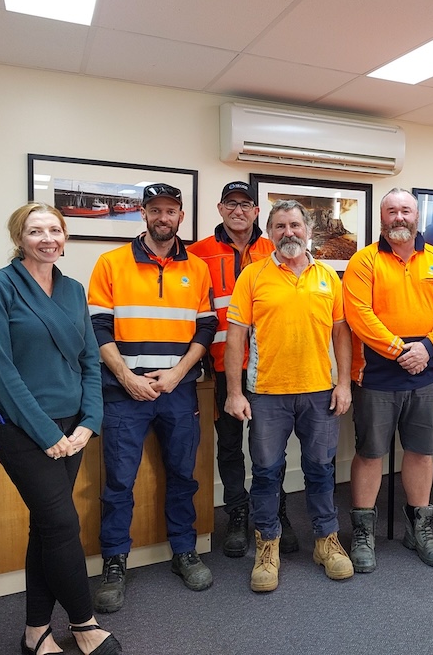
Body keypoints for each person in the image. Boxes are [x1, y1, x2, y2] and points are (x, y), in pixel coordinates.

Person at [0, 203, 120, 655]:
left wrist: (90, 422)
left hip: (73, 429)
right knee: (61, 524)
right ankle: (83, 623)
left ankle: (35, 631)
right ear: (20, 237)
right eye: (36, 231)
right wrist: (46, 433)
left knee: (46, 528)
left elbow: (89, 361)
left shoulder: (73, 290)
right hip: (21, 429)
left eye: (55, 230)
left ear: (65, 236)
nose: (48, 238)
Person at [89, 184, 217, 613]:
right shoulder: (111, 264)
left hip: (177, 393)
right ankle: (115, 562)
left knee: (183, 475)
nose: (164, 218)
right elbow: (98, 329)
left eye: (172, 211)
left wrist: (178, 374)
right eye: (156, 210)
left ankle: (184, 550)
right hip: (124, 393)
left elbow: (205, 330)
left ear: (181, 216)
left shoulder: (197, 268)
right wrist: (127, 377)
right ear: (143, 214)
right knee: (119, 482)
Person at [223, 200, 353, 592]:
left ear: (309, 231)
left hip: (318, 391)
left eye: (295, 225)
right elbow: (234, 338)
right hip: (266, 394)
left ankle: (326, 542)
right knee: (265, 473)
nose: (288, 232)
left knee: (320, 470)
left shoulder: (329, 277)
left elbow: (341, 334)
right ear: (270, 233)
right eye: (279, 226)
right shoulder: (252, 276)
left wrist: (343, 382)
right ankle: (267, 546)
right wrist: (234, 392)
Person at [343, 188, 433, 571]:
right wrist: (400, 349)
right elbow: (358, 314)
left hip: (425, 375)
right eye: (391, 211)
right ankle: (363, 533)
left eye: (405, 210)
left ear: (416, 216)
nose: (399, 217)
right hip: (376, 376)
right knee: (370, 453)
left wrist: (427, 348)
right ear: (382, 218)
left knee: (421, 451)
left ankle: (419, 528)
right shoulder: (364, 261)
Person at [187, 181, 298, 559]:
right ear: (220, 208)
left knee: (271, 451)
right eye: (231, 203)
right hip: (223, 368)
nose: (238, 210)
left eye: (246, 204)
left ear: (256, 211)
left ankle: (277, 513)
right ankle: (237, 513)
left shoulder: (276, 248)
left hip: (270, 370)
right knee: (230, 446)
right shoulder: (197, 253)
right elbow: (194, 311)